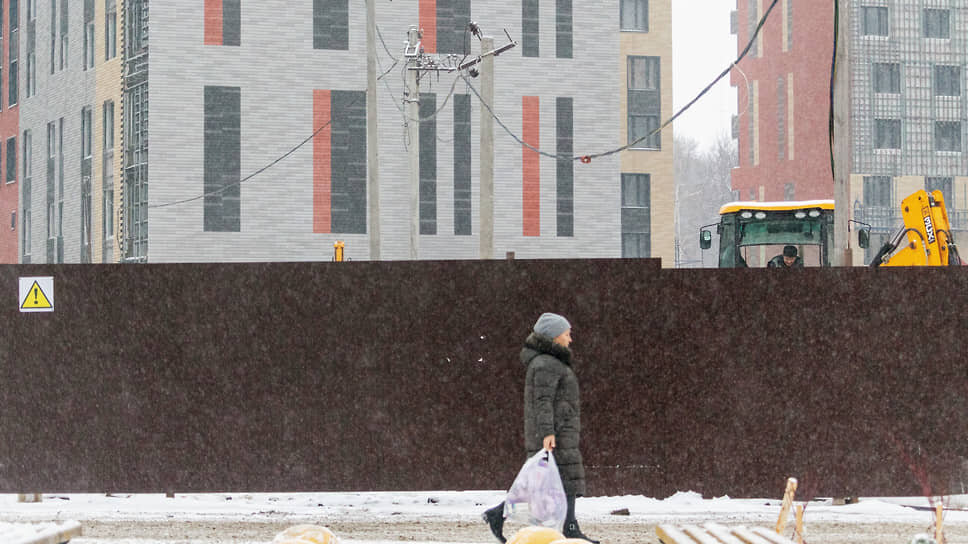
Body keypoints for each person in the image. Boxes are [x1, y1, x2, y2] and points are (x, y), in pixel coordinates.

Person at [483, 312, 598, 544]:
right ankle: (570, 527)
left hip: (560, 430)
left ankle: (499, 514)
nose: (570, 339)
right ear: (554, 337)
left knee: (547, 482)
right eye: (567, 334)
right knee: (561, 479)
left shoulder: (550, 362)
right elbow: (542, 401)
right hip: (554, 433)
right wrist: (547, 432)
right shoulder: (546, 363)